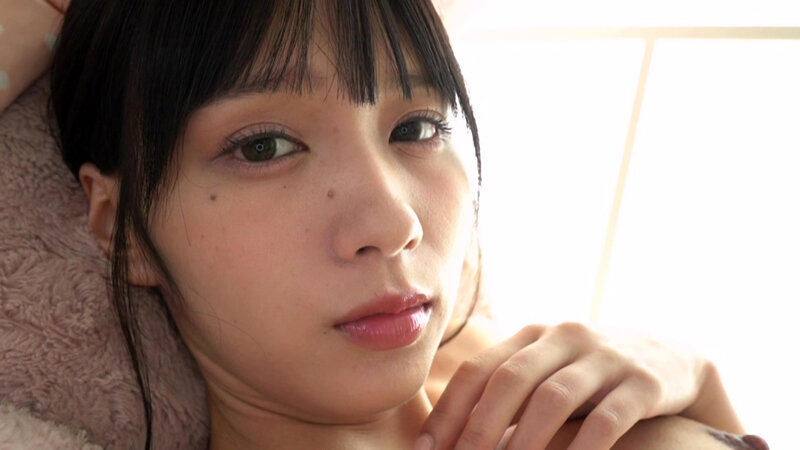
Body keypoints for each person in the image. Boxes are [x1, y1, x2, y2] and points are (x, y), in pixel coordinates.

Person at [2, 0, 767, 448]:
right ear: (123, 226)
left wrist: (706, 404)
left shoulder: (594, 415)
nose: (394, 222)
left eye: (417, 128)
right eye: (264, 147)